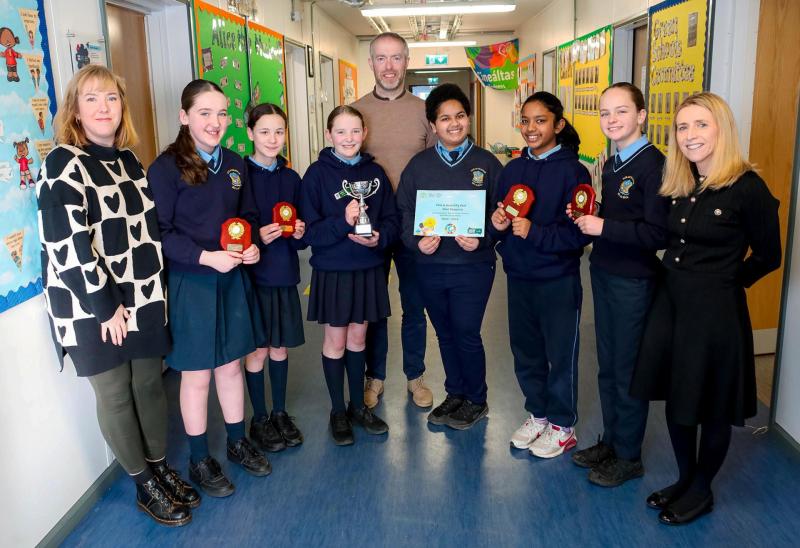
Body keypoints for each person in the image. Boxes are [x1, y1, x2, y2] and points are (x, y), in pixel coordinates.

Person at [36, 65, 195, 526]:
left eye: (111, 98)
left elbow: (144, 233)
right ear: (75, 111)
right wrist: (105, 307)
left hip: (141, 296)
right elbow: (67, 244)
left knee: (148, 386)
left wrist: (154, 295)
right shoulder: (61, 164)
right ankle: (144, 484)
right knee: (116, 395)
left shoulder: (128, 161)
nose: (104, 107)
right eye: (91, 99)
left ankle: (160, 467)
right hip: (91, 305)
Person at [631, 92, 781, 525]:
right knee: (678, 395)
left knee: (711, 403)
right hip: (672, 304)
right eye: (682, 127)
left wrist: (728, 282)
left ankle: (701, 489)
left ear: (722, 129)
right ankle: (684, 478)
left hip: (715, 313)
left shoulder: (748, 187)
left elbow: (769, 256)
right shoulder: (683, 183)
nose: (689, 135)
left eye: (701, 124)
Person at [148, 79, 270, 498]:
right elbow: (161, 234)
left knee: (231, 366)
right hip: (192, 281)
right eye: (205, 113)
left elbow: (248, 215)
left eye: (222, 113)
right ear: (184, 116)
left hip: (232, 276)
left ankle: (237, 441)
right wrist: (205, 257)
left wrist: (250, 244)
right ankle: (199, 458)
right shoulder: (165, 168)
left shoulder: (235, 164)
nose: (215, 122)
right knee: (197, 374)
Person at [568, 83, 669, 486]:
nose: (611, 120)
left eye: (621, 111)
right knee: (607, 365)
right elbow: (617, 216)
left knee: (627, 369)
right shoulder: (612, 163)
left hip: (633, 281)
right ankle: (611, 441)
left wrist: (603, 226)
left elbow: (657, 233)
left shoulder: (654, 165)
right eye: (605, 113)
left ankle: (628, 455)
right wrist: (589, 215)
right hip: (605, 271)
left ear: (641, 115)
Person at [490, 91, 591, 458]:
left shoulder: (574, 171)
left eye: (540, 121)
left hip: (557, 279)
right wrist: (498, 224)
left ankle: (563, 426)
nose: (531, 128)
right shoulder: (512, 170)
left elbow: (579, 234)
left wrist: (535, 233)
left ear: (558, 125)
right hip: (519, 277)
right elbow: (500, 217)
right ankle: (539, 415)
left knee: (560, 354)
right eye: (526, 121)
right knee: (526, 351)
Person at [396, 84, 502, 430]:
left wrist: (484, 239)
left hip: (473, 266)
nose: (453, 124)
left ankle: (476, 399)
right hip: (430, 265)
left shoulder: (487, 163)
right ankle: (455, 393)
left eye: (459, 116)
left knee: (466, 332)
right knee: (444, 333)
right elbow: (403, 213)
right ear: (433, 125)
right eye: (444, 118)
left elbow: (503, 213)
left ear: (468, 118)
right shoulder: (419, 165)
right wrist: (416, 243)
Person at [301, 105, 399, 445]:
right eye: (341, 131)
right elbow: (309, 233)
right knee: (336, 341)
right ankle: (337, 411)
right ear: (329, 134)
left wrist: (379, 238)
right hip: (333, 271)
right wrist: (343, 222)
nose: (348, 138)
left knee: (359, 339)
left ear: (364, 133)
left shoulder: (376, 173)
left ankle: (358, 407)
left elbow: (392, 221)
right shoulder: (316, 175)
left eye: (355, 131)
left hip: (368, 268)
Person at [353, 32, 436, 409]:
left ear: (407, 62)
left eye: (396, 58)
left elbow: (436, 169)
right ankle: (375, 377)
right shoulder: (355, 112)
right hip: (370, 225)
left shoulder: (424, 111)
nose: (389, 66)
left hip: (414, 225)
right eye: (381, 58)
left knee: (414, 304)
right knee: (374, 307)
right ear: (371, 63)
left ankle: (415, 376)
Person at [242, 103, 306, 452]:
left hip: (283, 272)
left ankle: (280, 413)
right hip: (253, 276)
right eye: (264, 131)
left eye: (279, 131)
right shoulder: (239, 176)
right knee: (257, 351)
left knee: (279, 347)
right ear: (250, 133)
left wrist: (300, 233)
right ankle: (260, 418)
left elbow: (302, 234)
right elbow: (230, 226)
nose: (272, 138)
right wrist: (255, 235)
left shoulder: (291, 178)